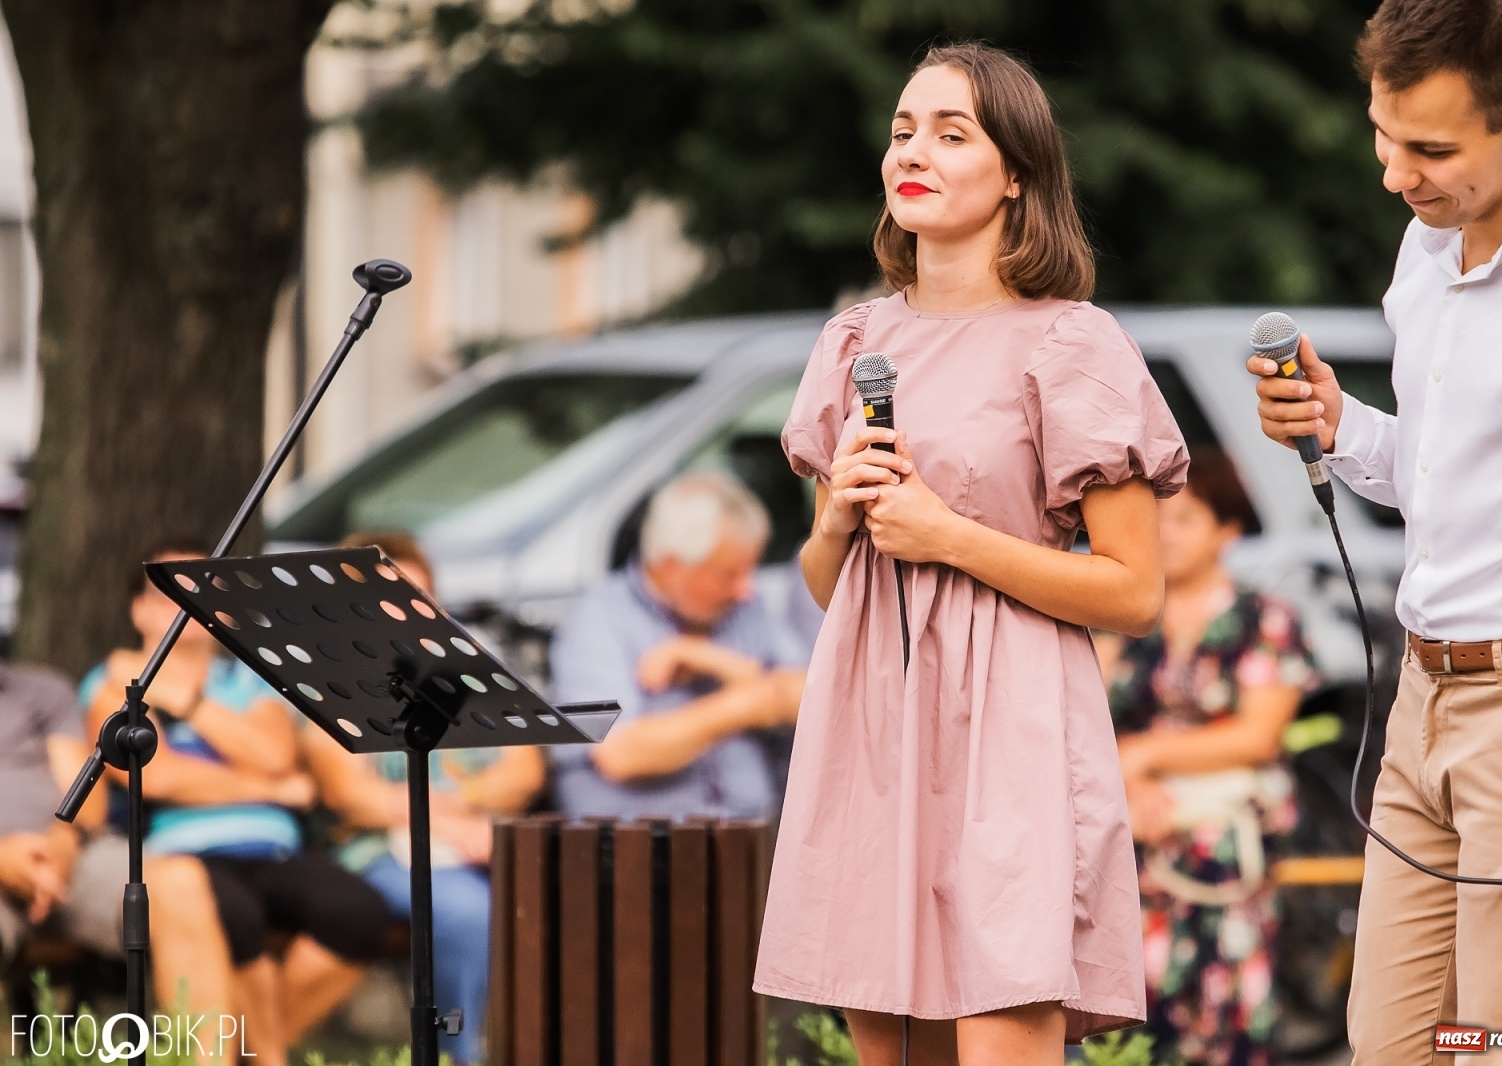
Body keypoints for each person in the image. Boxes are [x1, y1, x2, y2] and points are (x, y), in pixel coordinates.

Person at [753, 43, 1189, 1066]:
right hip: (868, 718)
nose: (916, 150)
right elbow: (834, 587)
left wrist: (948, 536)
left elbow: (1132, 592)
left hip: (1010, 724)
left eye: (953, 134)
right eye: (905, 129)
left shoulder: (1070, 344)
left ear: (1017, 176)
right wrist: (834, 524)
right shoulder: (852, 343)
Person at [1250, 2, 1502, 1060]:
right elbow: (1446, 475)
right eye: (1381, 133)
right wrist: (1337, 422)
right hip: (1419, 708)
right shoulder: (1425, 244)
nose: (1396, 171)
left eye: (1430, 148)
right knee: (1390, 1046)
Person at [82, 541, 391, 1066]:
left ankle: (250, 1053)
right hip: (184, 851)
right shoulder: (112, 683)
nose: (185, 606)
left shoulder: (254, 679)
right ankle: (262, 1056)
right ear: (138, 609)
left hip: (273, 852)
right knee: (235, 919)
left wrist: (187, 702)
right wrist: (267, 786)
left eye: (202, 591)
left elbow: (275, 752)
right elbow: (153, 777)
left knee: (358, 912)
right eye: (167, 593)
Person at [1096, 448, 1314, 1066]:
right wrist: (1130, 785)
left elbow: (1257, 734)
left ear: (1228, 530)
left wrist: (1145, 754)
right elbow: (1085, 725)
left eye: (1185, 519)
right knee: (1137, 1016)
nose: (1165, 535)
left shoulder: (1263, 617)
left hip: (1225, 841)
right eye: (1157, 520)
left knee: (1229, 1009)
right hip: (1136, 833)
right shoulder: (1123, 620)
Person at [302, 530, 546, 1066]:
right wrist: (453, 817)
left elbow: (525, 769)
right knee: (466, 910)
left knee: (561, 895)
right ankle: (465, 1054)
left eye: (421, 596)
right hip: (374, 851)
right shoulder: (325, 681)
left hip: (472, 843)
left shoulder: (466, 672)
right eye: (392, 597)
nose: (411, 611)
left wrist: (455, 802)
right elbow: (352, 795)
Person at [0, 659, 241, 1063]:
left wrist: (62, 844)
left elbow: (86, 797)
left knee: (180, 883)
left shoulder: (42, 690)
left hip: (68, 855)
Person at [548, 471, 807, 820]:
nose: (745, 588)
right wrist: (751, 702)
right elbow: (620, 753)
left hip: (753, 839)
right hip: (640, 847)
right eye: (729, 573)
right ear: (671, 566)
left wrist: (710, 658)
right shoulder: (598, 619)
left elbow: (815, 698)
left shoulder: (745, 607)